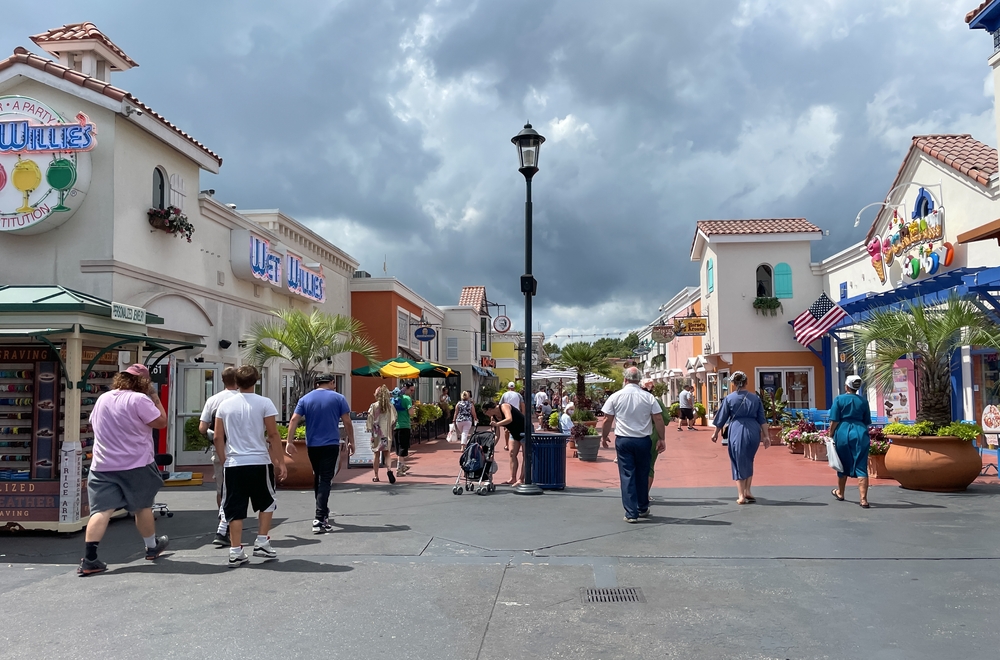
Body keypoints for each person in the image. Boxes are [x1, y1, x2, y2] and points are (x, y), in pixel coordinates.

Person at [78, 364, 169, 577]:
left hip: (102, 465)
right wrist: (155, 397)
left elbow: (94, 423)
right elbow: (161, 422)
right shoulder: (141, 400)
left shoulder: (103, 399)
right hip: (136, 463)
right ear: (144, 383)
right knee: (142, 506)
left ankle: (89, 559)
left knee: (101, 511)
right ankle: (151, 547)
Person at [214, 365, 286, 567]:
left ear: (235, 382)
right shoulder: (265, 403)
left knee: (235, 507)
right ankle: (262, 541)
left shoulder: (225, 405)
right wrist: (280, 462)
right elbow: (273, 435)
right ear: (256, 381)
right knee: (267, 501)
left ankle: (236, 550)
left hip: (234, 463)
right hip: (259, 462)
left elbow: (218, 436)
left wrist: (223, 459)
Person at [286, 373, 354, 533]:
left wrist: (289, 441)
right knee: (325, 479)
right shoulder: (338, 398)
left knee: (318, 477)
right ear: (331, 382)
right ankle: (319, 518)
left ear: (316, 384)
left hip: (312, 445)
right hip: (330, 444)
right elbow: (347, 421)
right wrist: (352, 441)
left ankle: (322, 514)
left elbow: (294, 419)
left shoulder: (305, 399)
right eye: (333, 383)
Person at [600, 367, 666, 523]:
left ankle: (631, 512)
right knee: (643, 472)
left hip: (624, 440)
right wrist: (662, 438)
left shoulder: (616, 396)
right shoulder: (648, 397)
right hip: (643, 439)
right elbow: (658, 418)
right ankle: (642, 506)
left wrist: (604, 436)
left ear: (625, 379)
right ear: (639, 380)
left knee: (627, 474)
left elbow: (607, 419)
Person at [711, 371, 768, 504]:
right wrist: (766, 436)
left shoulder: (730, 398)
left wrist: (715, 433)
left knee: (737, 460)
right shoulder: (755, 398)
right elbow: (762, 419)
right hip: (753, 430)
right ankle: (748, 490)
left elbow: (721, 417)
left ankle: (741, 495)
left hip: (737, 428)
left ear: (734, 383)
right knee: (749, 459)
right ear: (746, 382)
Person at [198, 366, 239, 548]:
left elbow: (202, 428)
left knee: (221, 489)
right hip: (241, 450)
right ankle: (231, 524)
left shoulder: (213, 400)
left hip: (220, 449)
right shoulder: (243, 399)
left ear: (222, 381)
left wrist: (215, 437)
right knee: (238, 489)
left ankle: (224, 521)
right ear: (237, 380)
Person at [829, 374, 873, 508]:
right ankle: (863, 499)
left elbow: (834, 420)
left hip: (842, 432)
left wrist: (830, 434)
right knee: (861, 464)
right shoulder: (863, 401)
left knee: (841, 462)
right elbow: (867, 421)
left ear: (846, 386)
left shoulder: (839, 399)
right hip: (860, 432)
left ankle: (840, 493)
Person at [483, 399, 526, 486]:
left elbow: (509, 419)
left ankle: (521, 479)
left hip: (525, 431)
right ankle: (513, 478)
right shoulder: (493, 417)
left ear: (490, 409)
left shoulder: (504, 406)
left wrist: (497, 424)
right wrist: (490, 446)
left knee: (526, 455)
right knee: (512, 453)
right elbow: (497, 435)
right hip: (514, 432)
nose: (485, 414)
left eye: (485, 411)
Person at [641, 378, 671, 495]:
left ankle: (636, 494)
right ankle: (645, 495)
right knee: (649, 466)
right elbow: (665, 419)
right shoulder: (655, 401)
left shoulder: (634, 399)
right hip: (653, 434)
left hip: (635, 435)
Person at [367, 385, 397, 484]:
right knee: (387, 453)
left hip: (376, 433)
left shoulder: (374, 406)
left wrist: (369, 428)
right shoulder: (390, 406)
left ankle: (376, 476)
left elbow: (370, 419)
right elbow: (394, 419)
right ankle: (389, 470)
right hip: (386, 432)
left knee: (376, 454)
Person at [392, 383, 416, 477]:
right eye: (411, 390)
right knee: (403, 448)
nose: (412, 392)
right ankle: (399, 469)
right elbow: (411, 413)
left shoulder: (395, 399)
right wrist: (412, 409)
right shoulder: (407, 399)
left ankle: (403, 466)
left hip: (396, 426)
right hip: (404, 425)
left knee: (398, 448)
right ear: (406, 389)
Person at [499, 382, 525, 451]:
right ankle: (518, 444)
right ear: (514, 388)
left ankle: (507, 445)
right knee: (516, 430)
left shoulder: (504, 394)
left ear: (508, 387)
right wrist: (522, 414)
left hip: (507, 413)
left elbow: (500, 405)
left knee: (507, 430)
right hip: (516, 414)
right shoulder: (518, 395)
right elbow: (522, 405)